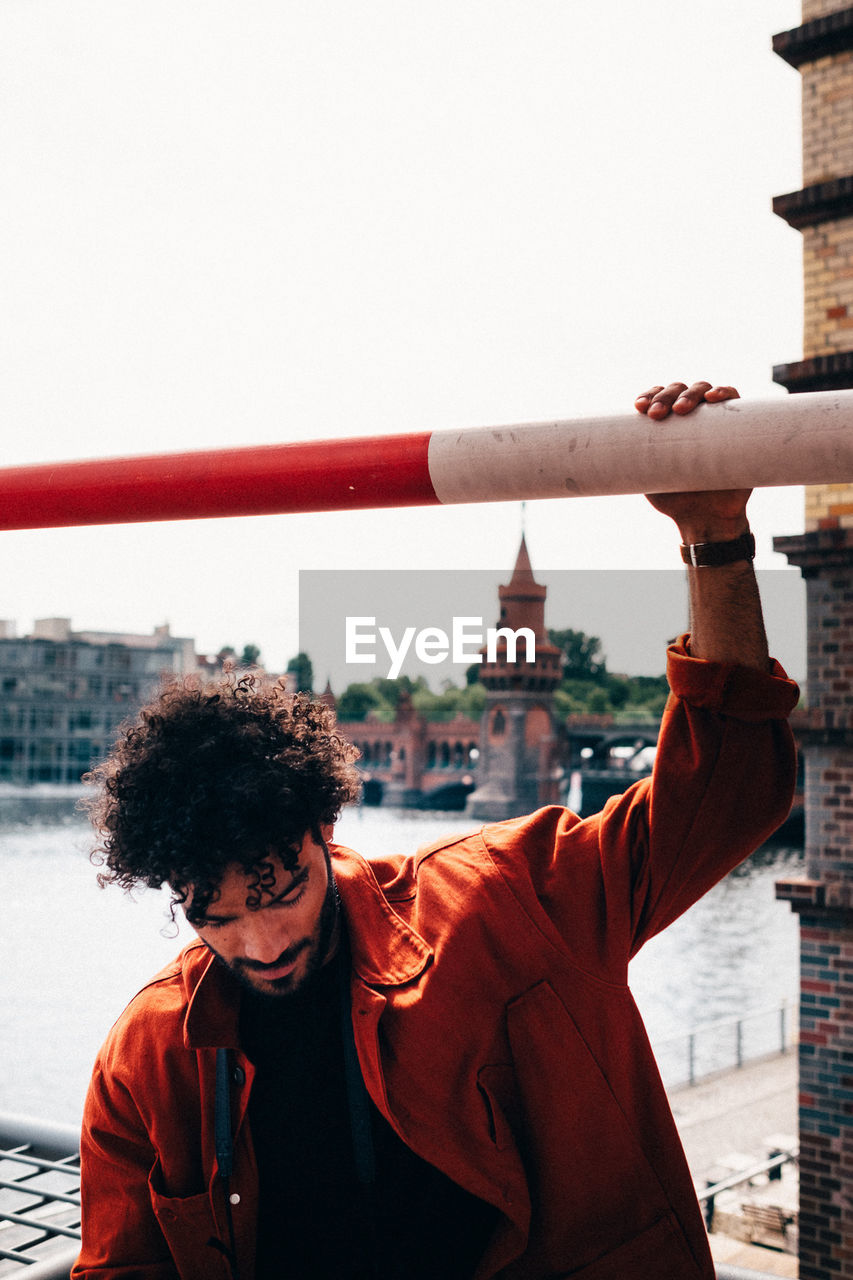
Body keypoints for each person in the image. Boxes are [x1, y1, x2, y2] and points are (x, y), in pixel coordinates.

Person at [72, 381, 799, 1280]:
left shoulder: (506, 899)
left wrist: (714, 537)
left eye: (279, 888)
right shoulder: (146, 1061)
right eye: (210, 915)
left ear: (325, 824)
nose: (259, 945)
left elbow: (726, 792)